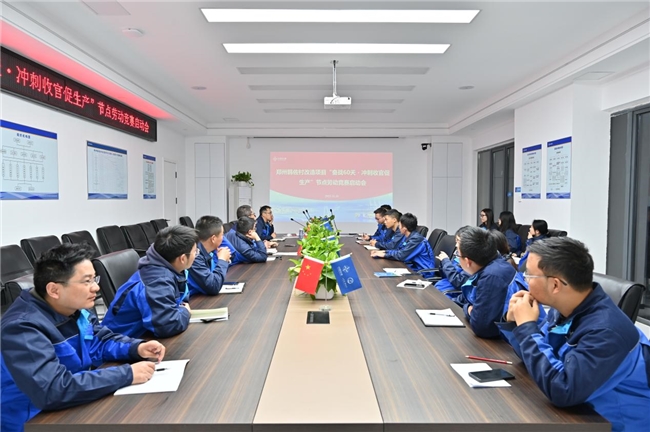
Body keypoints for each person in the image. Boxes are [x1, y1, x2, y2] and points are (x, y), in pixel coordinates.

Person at [1, 244, 165, 432]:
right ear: (54, 290)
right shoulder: (22, 328)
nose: (96, 287)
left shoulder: (73, 309)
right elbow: (52, 389)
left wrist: (135, 348)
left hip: (72, 403)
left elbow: (98, 341)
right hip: (34, 421)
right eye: (87, 281)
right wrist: (127, 374)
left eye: (94, 278)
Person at [498, 237, 650, 431]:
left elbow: (563, 389)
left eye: (529, 275)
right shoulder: (565, 309)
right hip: (578, 413)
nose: (525, 280)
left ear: (555, 285)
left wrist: (527, 328)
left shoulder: (607, 332)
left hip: (610, 425)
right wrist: (515, 323)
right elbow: (537, 357)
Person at [102, 225, 198, 338]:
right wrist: (185, 311)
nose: (196, 255)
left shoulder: (163, 265)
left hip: (142, 336)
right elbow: (168, 325)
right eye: (195, 252)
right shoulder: (157, 281)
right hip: (121, 342)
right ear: (182, 258)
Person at [454, 227, 516, 338]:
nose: (457, 257)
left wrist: (468, 309)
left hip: (507, 343)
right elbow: (465, 300)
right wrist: (469, 308)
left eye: (457, 254)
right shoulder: (491, 265)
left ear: (468, 261)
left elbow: (482, 327)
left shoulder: (492, 276)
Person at [370, 213, 435, 274]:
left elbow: (401, 255)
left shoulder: (416, 239)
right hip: (413, 267)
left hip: (423, 272)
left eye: (400, 226)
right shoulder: (409, 237)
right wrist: (384, 252)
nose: (399, 228)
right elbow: (399, 250)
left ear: (404, 229)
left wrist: (384, 255)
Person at [187, 216, 231, 295]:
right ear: (213, 238)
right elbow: (213, 286)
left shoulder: (210, 251)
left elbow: (216, 276)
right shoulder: (194, 256)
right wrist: (222, 260)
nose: (223, 238)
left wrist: (223, 260)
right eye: (222, 235)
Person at [434, 226, 471, 296]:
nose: (456, 245)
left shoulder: (470, 261)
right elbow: (446, 275)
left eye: (458, 241)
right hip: (442, 288)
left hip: (449, 293)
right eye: (456, 241)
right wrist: (444, 262)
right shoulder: (458, 254)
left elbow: (459, 282)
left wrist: (446, 261)